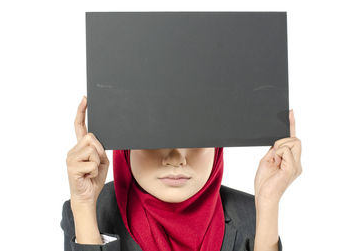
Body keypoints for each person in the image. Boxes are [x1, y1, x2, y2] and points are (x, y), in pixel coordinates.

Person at [60, 96, 302, 251]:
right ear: (126, 145)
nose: (176, 158)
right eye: (154, 139)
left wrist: (268, 206)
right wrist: (83, 206)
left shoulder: (252, 215)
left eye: (195, 139)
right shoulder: (87, 212)